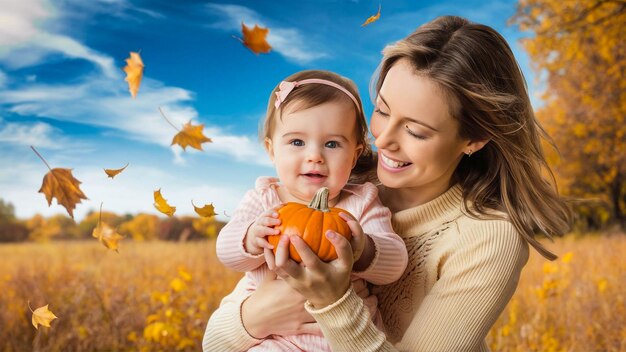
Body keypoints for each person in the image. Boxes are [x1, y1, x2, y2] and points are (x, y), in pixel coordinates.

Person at [203, 15, 572, 351]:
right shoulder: (338, 183)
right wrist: (259, 315)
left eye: (415, 131)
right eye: (381, 110)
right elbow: (216, 341)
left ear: (474, 139)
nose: (384, 141)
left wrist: (333, 302)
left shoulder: (489, 238)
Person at [206, 70, 408, 351]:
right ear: (272, 150)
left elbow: (396, 263)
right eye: (297, 142)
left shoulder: (360, 203)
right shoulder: (264, 199)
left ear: (355, 155)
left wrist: (364, 249)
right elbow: (226, 252)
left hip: (343, 339)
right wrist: (251, 238)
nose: (315, 155)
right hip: (274, 339)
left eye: (332, 144)